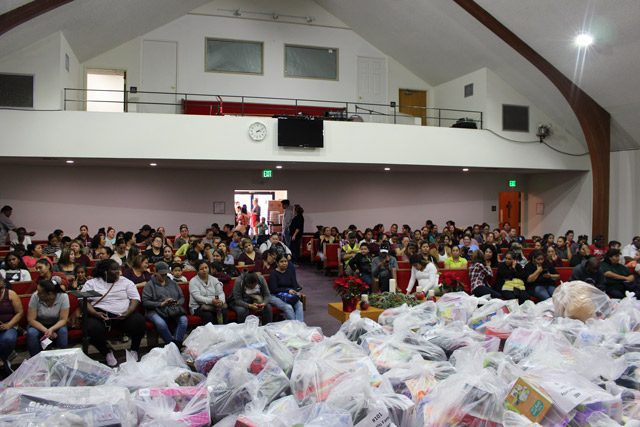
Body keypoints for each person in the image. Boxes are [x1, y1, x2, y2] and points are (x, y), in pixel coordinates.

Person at [83, 259, 146, 366]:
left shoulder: (126, 282)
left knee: (139, 321)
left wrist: (129, 311)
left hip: (123, 315)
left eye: (119, 269)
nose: (118, 272)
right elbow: (84, 301)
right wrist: (94, 313)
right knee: (91, 327)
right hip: (100, 315)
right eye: (114, 270)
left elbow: (135, 298)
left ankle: (134, 350)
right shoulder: (92, 283)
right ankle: (106, 352)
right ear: (105, 271)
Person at [142, 261, 187, 347]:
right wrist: (161, 304)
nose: (164, 276)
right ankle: (174, 346)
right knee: (161, 324)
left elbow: (181, 297)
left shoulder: (172, 283)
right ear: (155, 272)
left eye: (165, 274)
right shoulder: (150, 285)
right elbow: (145, 302)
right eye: (161, 274)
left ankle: (175, 345)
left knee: (184, 320)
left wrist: (177, 302)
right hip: (154, 310)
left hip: (172, 308)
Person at [26, 279, 69, 356]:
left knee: (63, 332)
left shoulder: (63, 297)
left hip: (56, 324)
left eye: (40, 293)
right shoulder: (35, 296)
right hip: (38, 324)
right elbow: (31, 319)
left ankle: (61, 358)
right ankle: (35, 359)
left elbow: (63, 319)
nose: (37, 293)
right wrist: (47, 331)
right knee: (32, 333)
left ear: (49, 294)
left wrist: (52, 329)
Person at [189, 260, 227, 324]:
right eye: (201, 269)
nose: (204, 270)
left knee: (224, 312)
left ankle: (222, 331)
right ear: (197, 271)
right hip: (198, 307)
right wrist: (211, 301)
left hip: (214, 304)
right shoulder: (193, 281)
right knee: (208, 315)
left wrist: (221, 301)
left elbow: (220, 293)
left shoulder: (214, 279)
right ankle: (210, 333)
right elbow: (197, 297)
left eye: (206, 268)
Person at [268, 254, 304, 321]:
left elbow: (295, 285)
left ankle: (299, 326)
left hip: (288, 295)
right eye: (281, 261)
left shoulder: (290, 272)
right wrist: (287, 291)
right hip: (274, 295)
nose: (284, 263)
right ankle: (294, 327)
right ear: (277, 263)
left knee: (300, 304)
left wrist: (296, 292)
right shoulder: (273, 274)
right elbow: (273, 289)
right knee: (288, 307)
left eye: (286, 261)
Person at [0, 276, 23, 377]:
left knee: (8, 339)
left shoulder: (11, 294)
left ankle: (2, 361)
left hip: (10, 325)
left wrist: (8, 325)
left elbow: (20, 312)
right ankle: (4, 364)